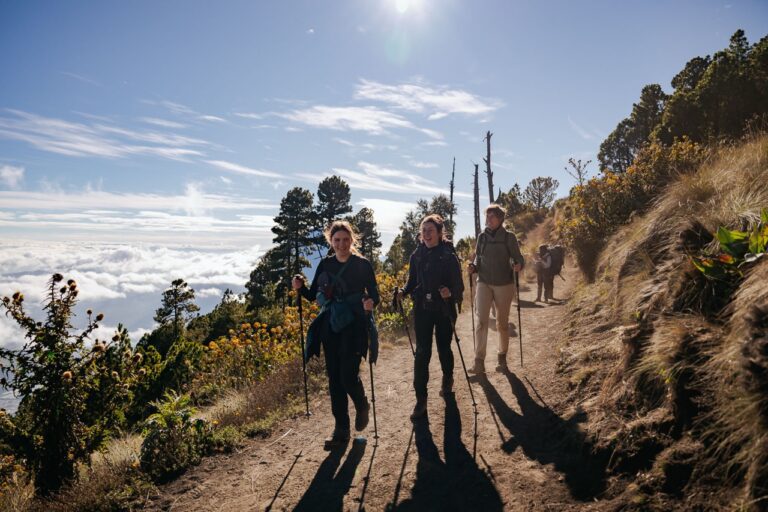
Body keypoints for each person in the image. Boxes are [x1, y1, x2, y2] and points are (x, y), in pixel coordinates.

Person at [292, 220, 380, 450]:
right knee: (334, 379)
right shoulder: (325, 264)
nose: (341, 244)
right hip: (331, 327)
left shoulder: (362, 265)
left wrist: (370, 302)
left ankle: (362, 405)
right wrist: (300, 287)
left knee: (347, 376)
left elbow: (375, 294)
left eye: (345, 239)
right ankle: (341, 430)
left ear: (352, 240)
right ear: (330, 241)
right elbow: (313, 295)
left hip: (355, 325)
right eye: (337, 240)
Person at [397, 214, 464, 420]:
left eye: (430, 230)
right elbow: (412, 281)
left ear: (439, 233)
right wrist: (403, 292)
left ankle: (447, 379)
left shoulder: (448, 255)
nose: (426, 234)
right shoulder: (416, 255)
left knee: (444, 348)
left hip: (444, 309)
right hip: (422, 309)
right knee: (422, 353)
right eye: (423, 230)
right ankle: (421, 399)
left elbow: (459, 286)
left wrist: (449, 292)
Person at [467, 204, 525, 374]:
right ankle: (479, 362)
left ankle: (502, 358)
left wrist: (519, 264)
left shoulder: (509, 237)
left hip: (504, 284)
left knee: (502, 323)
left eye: (492, 216)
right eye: (487, 216)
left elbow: (518, 257)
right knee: (481, 321)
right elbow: (478, 258)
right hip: (484, 282)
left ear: (500, 218)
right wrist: (473, 267)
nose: (488, 219)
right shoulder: (482, 237)